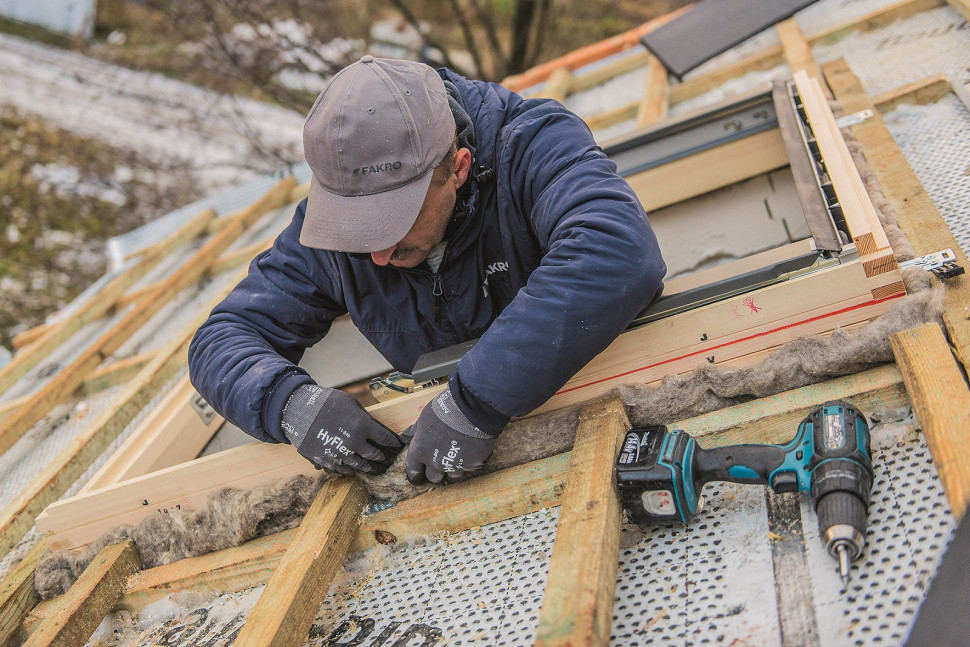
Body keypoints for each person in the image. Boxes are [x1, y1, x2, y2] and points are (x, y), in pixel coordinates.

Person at [188, 55, 666, 486]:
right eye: (358, 227)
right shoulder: (329, 230)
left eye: (392, 221)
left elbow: (616, 250)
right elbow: (222, 337)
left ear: (457, 169)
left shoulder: (529, 143)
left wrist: (475, 401)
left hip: (593, 402)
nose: (376, 255)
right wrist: (289, 404)